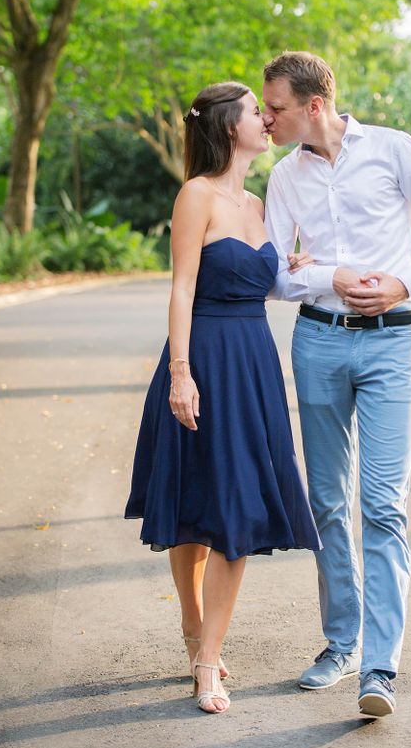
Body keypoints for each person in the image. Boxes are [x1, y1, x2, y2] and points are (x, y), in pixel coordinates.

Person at [262, 52, 411, 718]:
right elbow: (275, 273)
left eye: (276, 108)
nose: (266, 118)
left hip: (393, 346)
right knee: (327, 502)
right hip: (317, 343)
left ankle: (379, 668)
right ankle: (341, 642)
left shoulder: (393, 150)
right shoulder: (283, 178)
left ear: (314, 105)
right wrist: (334, 275)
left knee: (383, 506)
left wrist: (403, 283)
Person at [125, 81, 321, 715]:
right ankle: (193, 625)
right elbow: (182, 289)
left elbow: (258, 284)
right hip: (203, 357)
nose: (267, 121)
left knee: (236, 508)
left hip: (254, 365)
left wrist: (290, 267)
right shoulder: (196, 196)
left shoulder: (261, 203)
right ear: (224, 128)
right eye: (254, 114)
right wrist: (181, 373)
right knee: (193, 509)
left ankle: (208, 659)